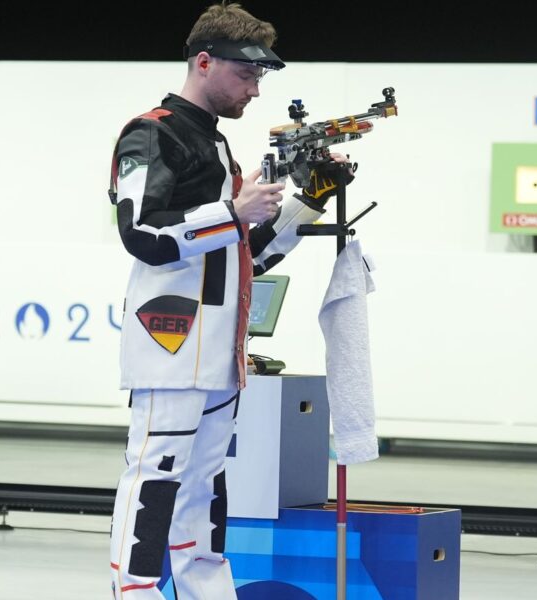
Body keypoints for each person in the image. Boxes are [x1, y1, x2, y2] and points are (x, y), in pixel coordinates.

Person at [104, 2, 353, 597]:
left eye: (260, 78)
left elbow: (246, 254)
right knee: (154, 478)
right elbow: (140, 234)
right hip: (171, 338)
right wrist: (232, 212)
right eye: (246, 75)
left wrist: (310, 200)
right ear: (204, 62)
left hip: (219, 352)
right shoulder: (151, 131)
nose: (255, 90)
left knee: (205, 485)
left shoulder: (217, 148)